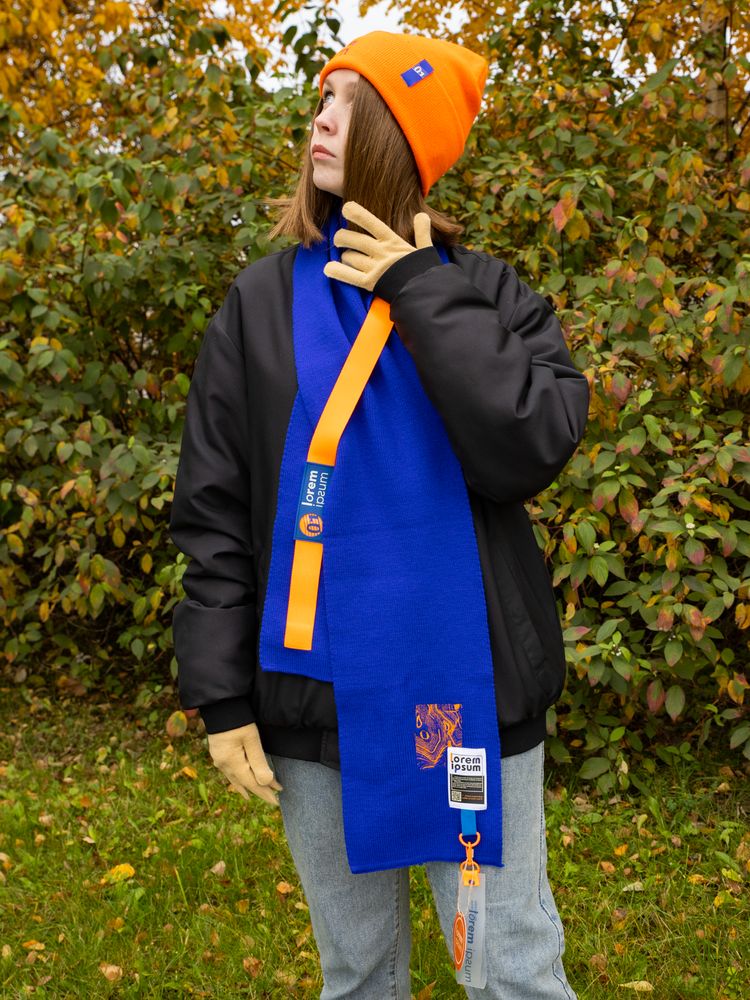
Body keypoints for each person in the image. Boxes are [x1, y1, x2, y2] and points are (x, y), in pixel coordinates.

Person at [170, 30, 589, 1000]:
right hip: (314, 700)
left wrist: (418, 286)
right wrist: (221, 696)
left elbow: (529, 443)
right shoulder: (261, 303)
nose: (321, 119)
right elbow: (215, 507)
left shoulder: (487, 293)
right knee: (357, 973)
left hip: (467, 696)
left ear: (403, 140)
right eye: (322, 99)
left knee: (510, 966)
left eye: (352, 105)